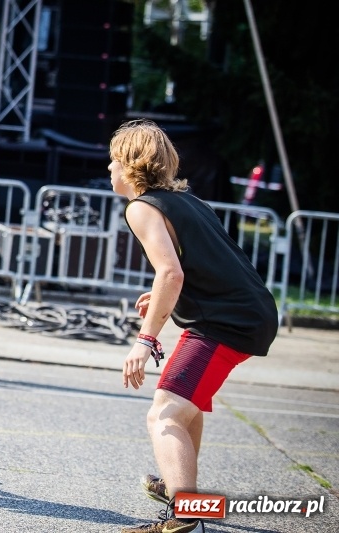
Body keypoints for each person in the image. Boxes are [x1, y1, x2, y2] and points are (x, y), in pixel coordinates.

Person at [109, 120, 279, 533]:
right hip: (241, 313)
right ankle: (181, 490)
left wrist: (144, 341)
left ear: (130, 166)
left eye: (112, 161)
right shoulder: (187, 202)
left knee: (164, 413)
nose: (109, 169)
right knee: (187, 406)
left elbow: (171, 273)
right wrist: (165, 296)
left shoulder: (141, 207)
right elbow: (201, 267)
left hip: (226, 321)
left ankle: (184, 512)